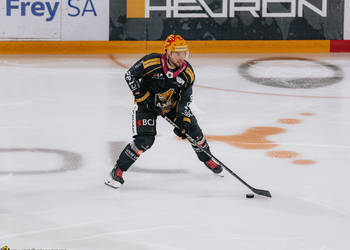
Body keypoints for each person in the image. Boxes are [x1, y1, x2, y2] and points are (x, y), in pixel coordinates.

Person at [105, 34, 223, 189]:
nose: (182, 57)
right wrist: (141, 95)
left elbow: (185, 99)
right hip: (146, 105)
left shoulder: (187, 73)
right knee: (145, 141)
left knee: (193, 132)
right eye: (177, 53)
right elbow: (130, 76)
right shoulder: (151, 62)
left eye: (184, 53)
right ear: (168, 52)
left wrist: (183, 120)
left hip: (172, 105)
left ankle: (207, 158)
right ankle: (118, 170)